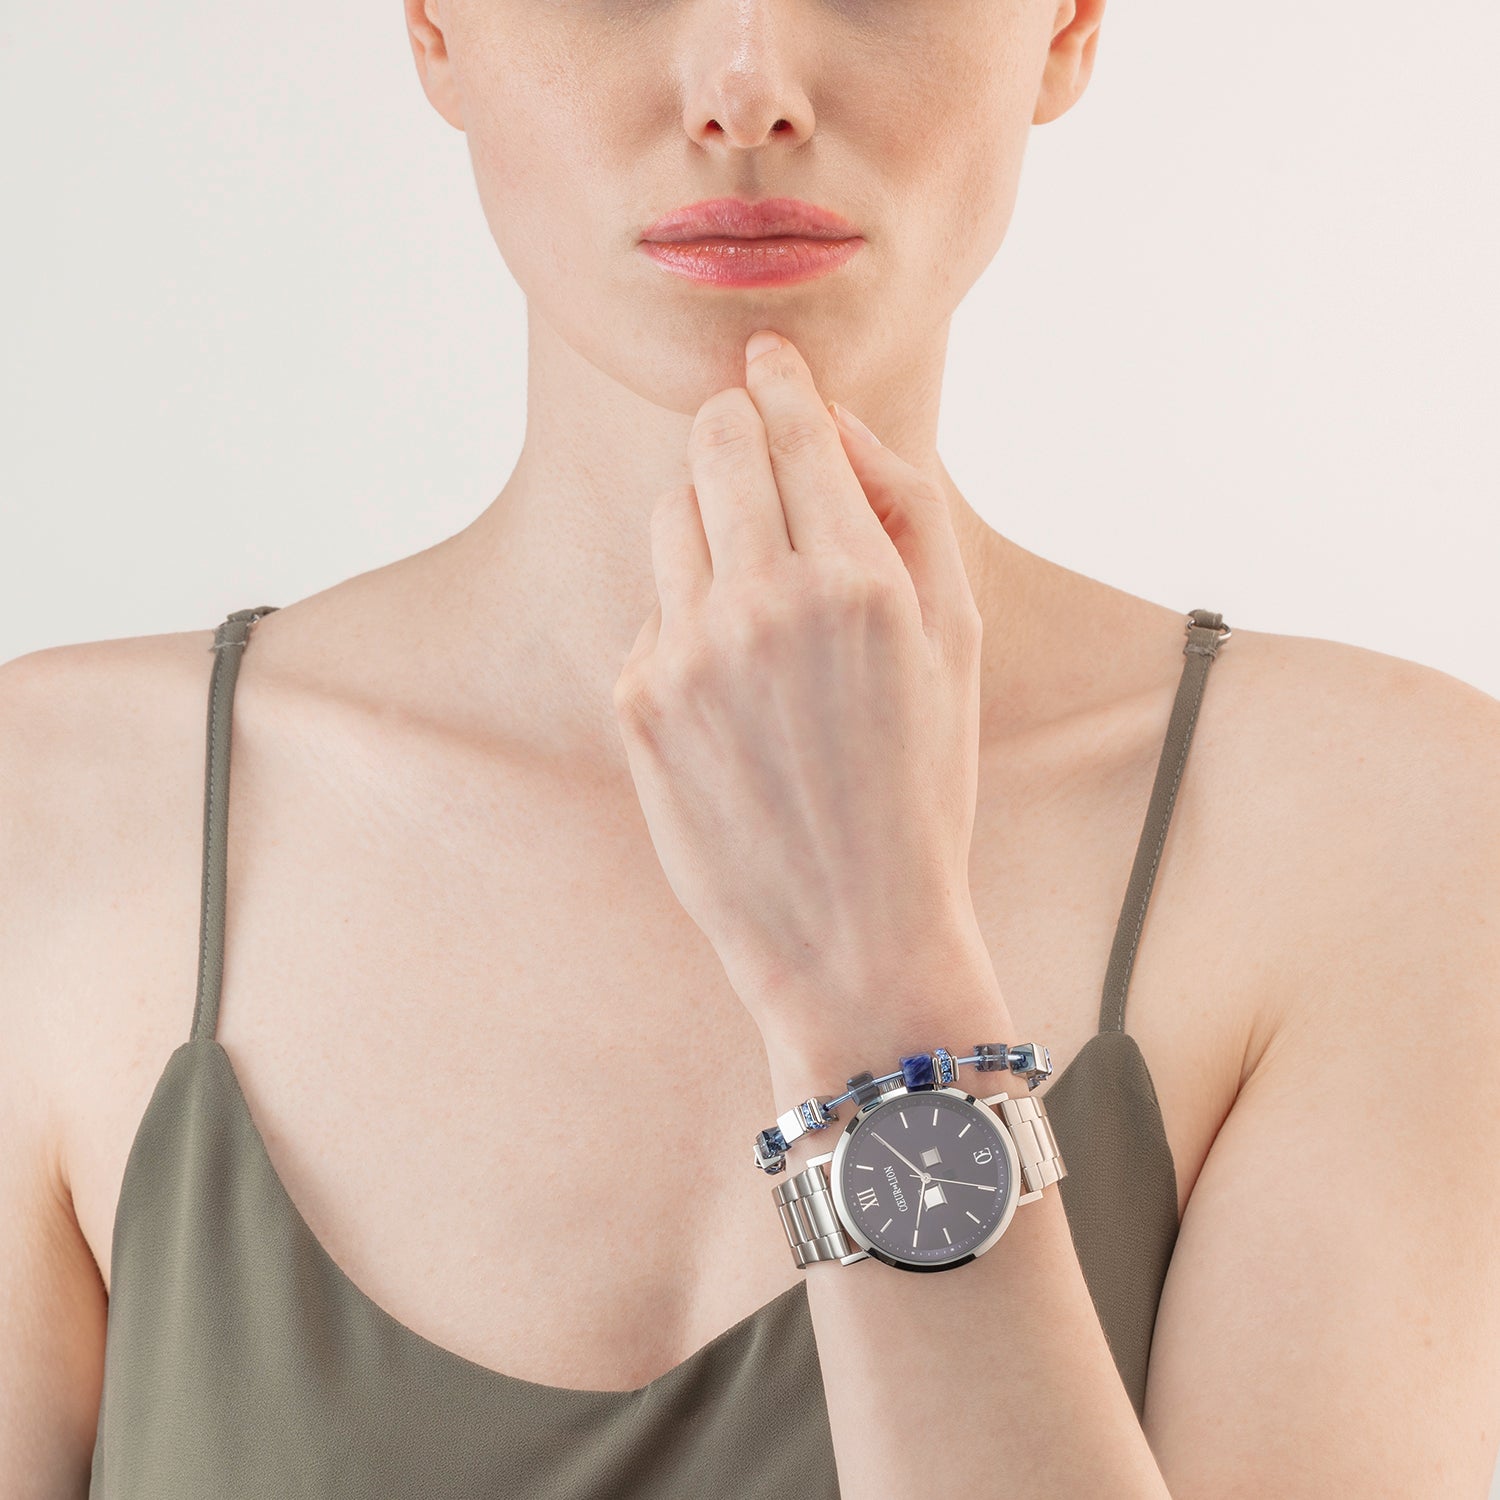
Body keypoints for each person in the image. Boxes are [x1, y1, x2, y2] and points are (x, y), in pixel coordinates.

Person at [4, 0, 1498, 1495]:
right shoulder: (53, 804)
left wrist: (878, 989)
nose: (746, 89)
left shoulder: (1387, 837)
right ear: (436, 27)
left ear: (1063, 28)